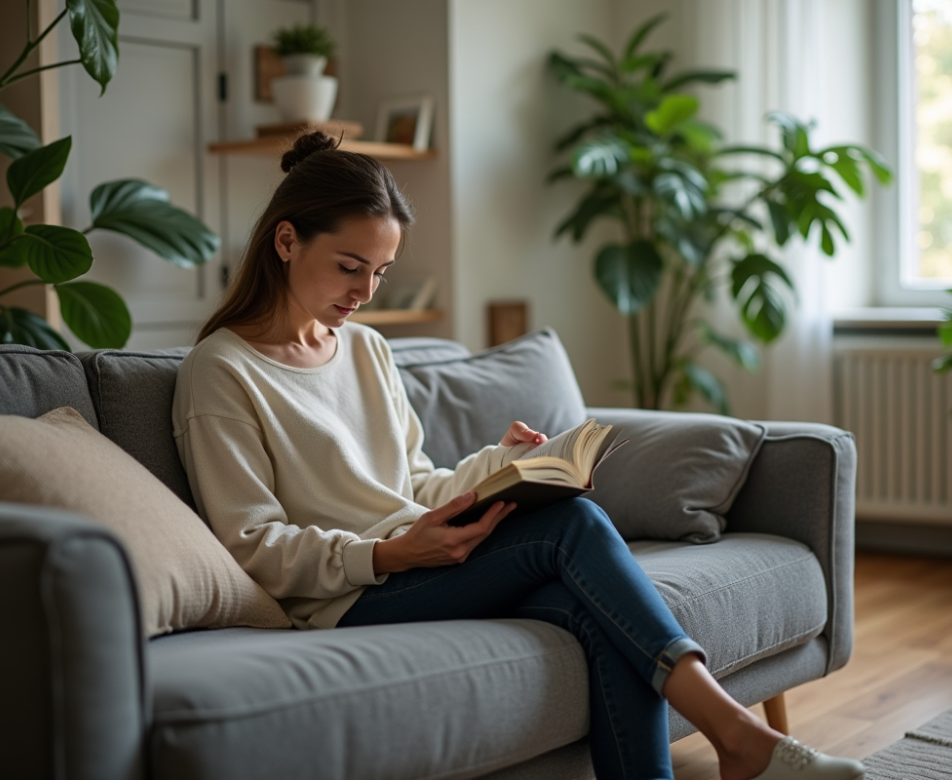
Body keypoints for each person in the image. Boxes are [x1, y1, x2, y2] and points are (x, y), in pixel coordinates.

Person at [172, 131, 866, 780]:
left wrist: (501, 464)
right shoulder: (222, 371)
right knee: (577, 528)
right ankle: (738, 736)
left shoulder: (365, 348)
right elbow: (252, 545)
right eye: (350, 267)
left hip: (419, 556)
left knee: (590, 609)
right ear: (287, 241)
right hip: (347, 596)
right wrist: (388, 556)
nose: (365, 293)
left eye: (381, 272)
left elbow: (413, 481)